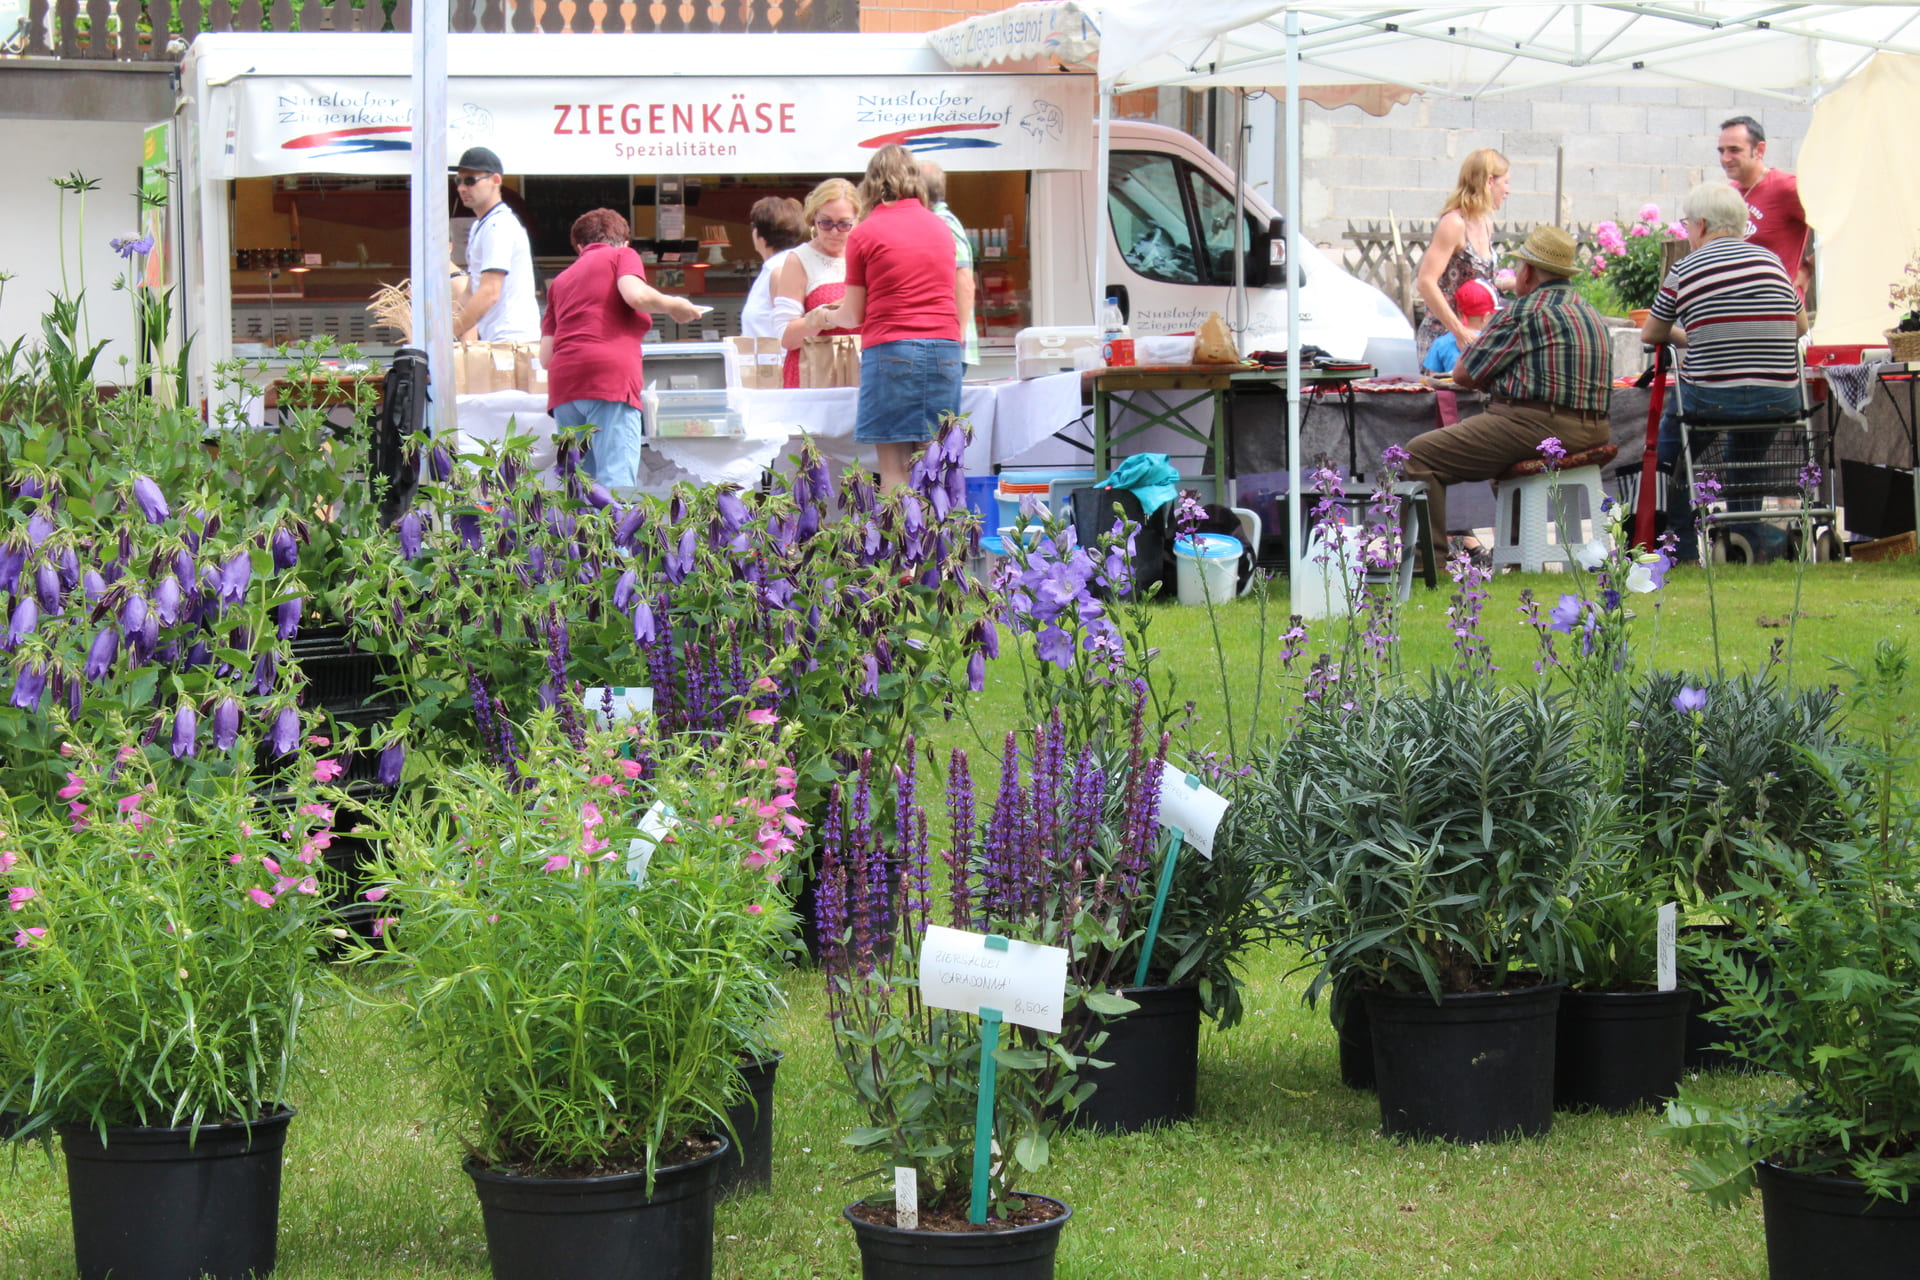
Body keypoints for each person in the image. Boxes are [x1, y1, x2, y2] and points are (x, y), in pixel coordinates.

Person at [1402, 224, 1613, 571]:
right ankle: (1516, 562)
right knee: (1502, 467)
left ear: (1527, 272)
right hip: (1596, 430)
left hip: (1538, 427)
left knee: (1417, 457)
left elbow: (1463, 373)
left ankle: (1427, 568)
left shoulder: (1525, 310)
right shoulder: (1590, 313)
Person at [1642, 181, 1807, 564]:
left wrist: (1691, 336)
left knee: (1672, 456)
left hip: (1710, 397)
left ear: (1701, 223)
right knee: (1745, 455)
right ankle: (1750, 538)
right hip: (1777, 396)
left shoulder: (1686, 268)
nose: (1687, 233)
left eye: (1687, 225)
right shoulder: (1773, 264)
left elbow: (1651, 333)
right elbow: (1798, 326)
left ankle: (1678, 546)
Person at [809, 144, 961, 491]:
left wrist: (824, 317)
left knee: (895, 471)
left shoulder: (865, 232)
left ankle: (901, 546)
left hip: (892, 348)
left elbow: (853, 313)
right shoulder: (941, 228)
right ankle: (944, 543)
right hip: (945, 349)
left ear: (871, 183)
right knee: (936, 467)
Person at [539, 208, 703, 489]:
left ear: (579, 246)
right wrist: (675, 305)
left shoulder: (561, 281)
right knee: (615, 484)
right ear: (625, 242)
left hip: (564, 387)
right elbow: (636, 295)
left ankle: (577, 535)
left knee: (578, 486)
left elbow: (545, 356)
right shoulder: (622, 256)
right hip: (609, 381)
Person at [1414, 148, 1511, 364]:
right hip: (1445, 339)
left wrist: (1517, 283)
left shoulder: (1486, 224)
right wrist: (1458, 331)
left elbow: (1480, 283)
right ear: (1489, 181)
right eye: (1505, 182)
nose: (1508, 190)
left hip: (1474, 338)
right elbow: (1426, 282)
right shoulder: (1454, 223)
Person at [449, 146, 541, 342]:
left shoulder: (499, 225)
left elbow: (490, 292)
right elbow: (471, 291)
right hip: (498, 340)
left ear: (496, 180)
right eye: (459, 180)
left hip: (513, 340)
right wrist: (442, 327)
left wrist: (449, 333)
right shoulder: (480, 226)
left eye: (470, 180)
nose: (462, 187)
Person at [775, 178, 860, 388]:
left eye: (844, 224)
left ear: (858, 220)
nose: (833, 232)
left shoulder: (866, 256)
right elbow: (785, 337)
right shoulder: (800, 259)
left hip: (861, 375)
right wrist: (829, 315)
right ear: (813, 219)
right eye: (826, 222)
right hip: (814, 377)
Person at [1718, 115, 1812, 301]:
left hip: (1777, 311)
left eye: (1734, 150)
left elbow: (1839, 224)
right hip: (1736, 310)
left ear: (1759, 150)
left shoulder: (1786, 188)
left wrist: (1809, 268)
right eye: (1721, 151)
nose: (1725, 158)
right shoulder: (1729, 194)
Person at [918, 159, 978, 368]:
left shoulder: (943, 224)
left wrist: (955, 339)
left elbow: (964, 282)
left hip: (946, 346)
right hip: (944, 344)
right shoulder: (938, 222)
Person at [739, 196, 808, 340]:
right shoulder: (774, 268)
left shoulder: (780, 271)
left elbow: (792, 329)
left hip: (777, 361)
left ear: (759, 234)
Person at [1421, 279, 1498, 375]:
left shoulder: (1440, 343)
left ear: (1458, 311)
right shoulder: (1494, 343)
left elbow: (1432, 378)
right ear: (1486, 316)